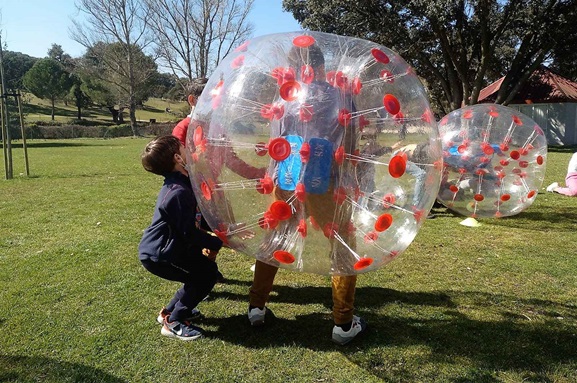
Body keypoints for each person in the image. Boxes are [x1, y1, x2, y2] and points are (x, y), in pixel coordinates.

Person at [248, 43, 367, 346]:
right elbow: (350, 140)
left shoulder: (285, 96)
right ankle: (342, 322)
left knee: (274, 238)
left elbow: (277, 140)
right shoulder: (340, 96)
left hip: (286, 177)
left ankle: (256, 307)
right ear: (322, 64)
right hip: (325, 180)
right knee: (341, 243)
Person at [138, 135, 223, 341]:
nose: (187, 149)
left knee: (203, 273)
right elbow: (189, 233)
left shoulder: (183, 183)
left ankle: (167, 312)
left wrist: (219, 229)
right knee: (205, 275)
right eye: (183, 147)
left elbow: (195, 218)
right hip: (162, 254)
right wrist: (219, 241)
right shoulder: (177, 193)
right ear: (178, 157)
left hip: (175, 248)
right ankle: (174, 322)